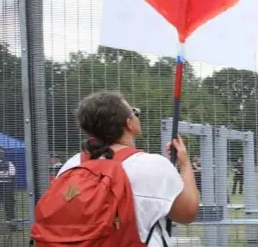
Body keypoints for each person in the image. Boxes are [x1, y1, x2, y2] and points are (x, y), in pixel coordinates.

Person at [55, 91, 200, 246]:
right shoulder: (152, 165)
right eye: (135, 112)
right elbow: (187, 213)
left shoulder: (72, 165)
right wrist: (184, 164)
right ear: (129, 123)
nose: (138, 115)